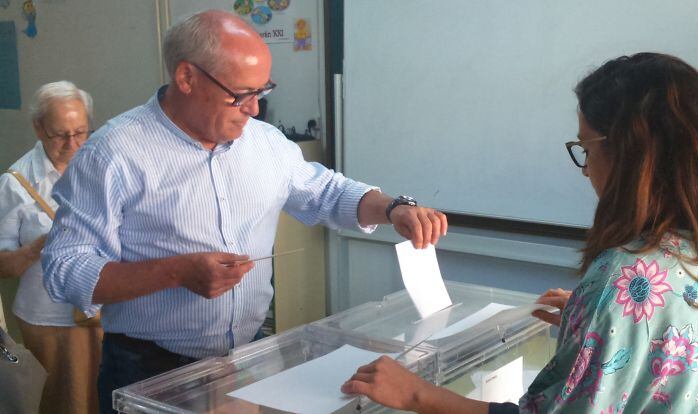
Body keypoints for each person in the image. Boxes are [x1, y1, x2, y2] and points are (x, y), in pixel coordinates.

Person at [40, 10, 448, 414]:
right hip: (148, 368)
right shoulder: (113, 154)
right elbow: (64, 269)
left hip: (245, 361)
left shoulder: (265, 143)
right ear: (186, 78)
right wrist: (176, 272)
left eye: (262, 92)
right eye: (240, 94)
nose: (254, 109)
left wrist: (392, 208)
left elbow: (326, 191)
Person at [341, 53, 698, 413]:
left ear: (631, 153)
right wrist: (597, 324)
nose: (585, 170)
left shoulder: (627, 279)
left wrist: (417, 393)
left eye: (587, 147)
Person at [0, 81, 102, 414]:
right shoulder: (15, 183)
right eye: (60, 135)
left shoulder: (100, 167)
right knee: (66, 405)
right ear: (38, 128)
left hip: (106, 311)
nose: (73, 144)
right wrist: (39, 247)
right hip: (50, 320)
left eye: (81, 132)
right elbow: (2, 266)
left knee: (108, 398)